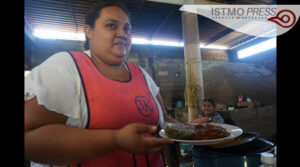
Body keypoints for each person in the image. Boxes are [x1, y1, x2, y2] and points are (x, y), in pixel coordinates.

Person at [25, 2, 179, 167]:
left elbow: (162, 121)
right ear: (89, 31)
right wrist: (116, 140)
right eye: (111, 25)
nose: (122, 33)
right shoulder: (65, 67)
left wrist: (190, 130)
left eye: (127, 29)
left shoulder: (142, 75)